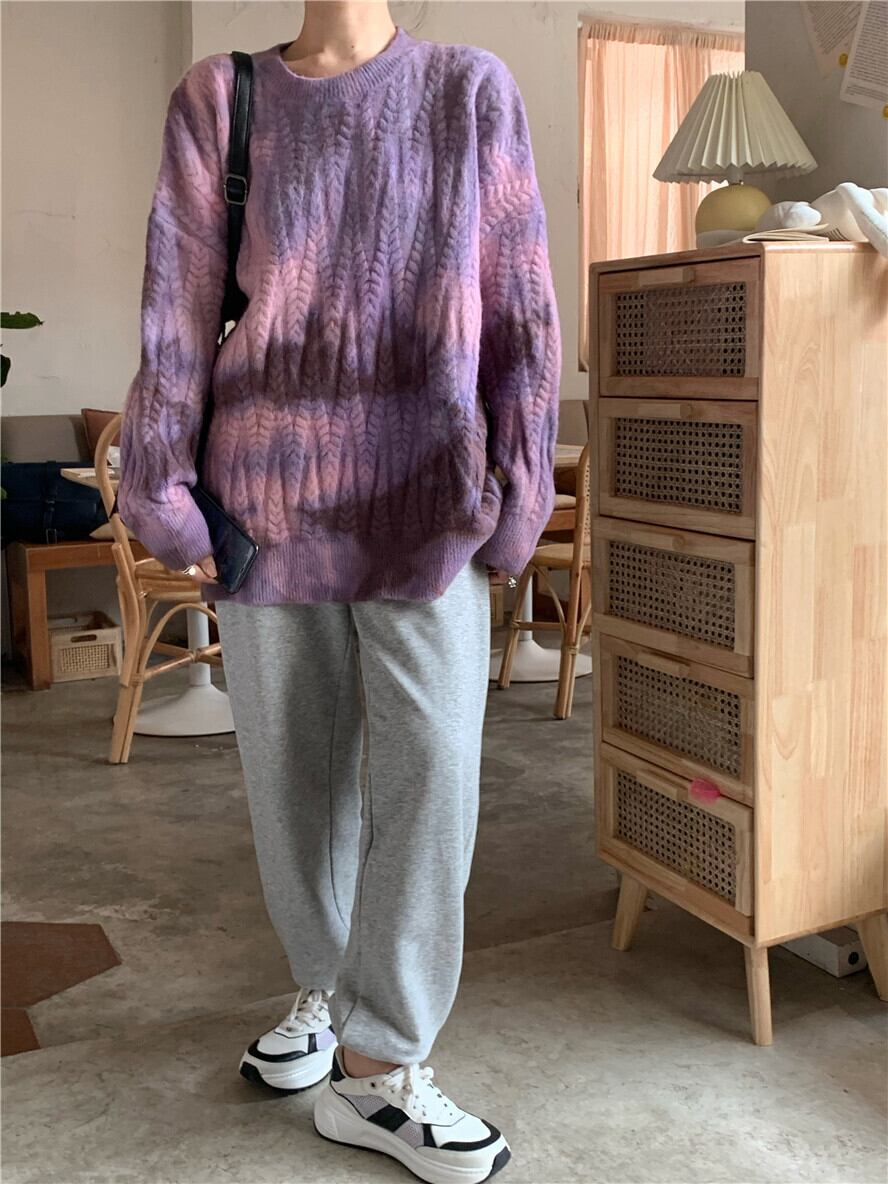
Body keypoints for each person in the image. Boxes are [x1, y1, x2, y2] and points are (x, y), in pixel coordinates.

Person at [116, 4, 561, 1182]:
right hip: (268, 499)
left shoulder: (469, 90)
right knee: (295, 779)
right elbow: (176, 306)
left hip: (429, 497)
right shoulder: (223, 97)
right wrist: (160, 484)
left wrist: (523, 485)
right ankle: (328, 989)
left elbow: (519, 304)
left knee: (434, 774)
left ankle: (380, 1062)